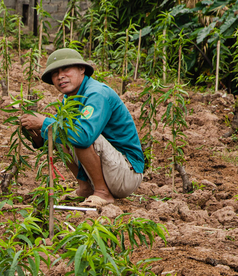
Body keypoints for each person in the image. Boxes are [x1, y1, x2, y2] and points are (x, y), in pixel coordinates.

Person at [20, 48, 145, 207]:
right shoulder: (69, 98)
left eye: (66, 69)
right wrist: (35, 131)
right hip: (111, 170)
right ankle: (85, 188)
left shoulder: (96, 94)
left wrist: (45, 122)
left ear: (82, 69)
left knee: (78, 133)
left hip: (127, 174)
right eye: (55, 73)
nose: (60, 76)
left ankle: (102, 193)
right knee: (61, 131)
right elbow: (56, 139)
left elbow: (83, 137)